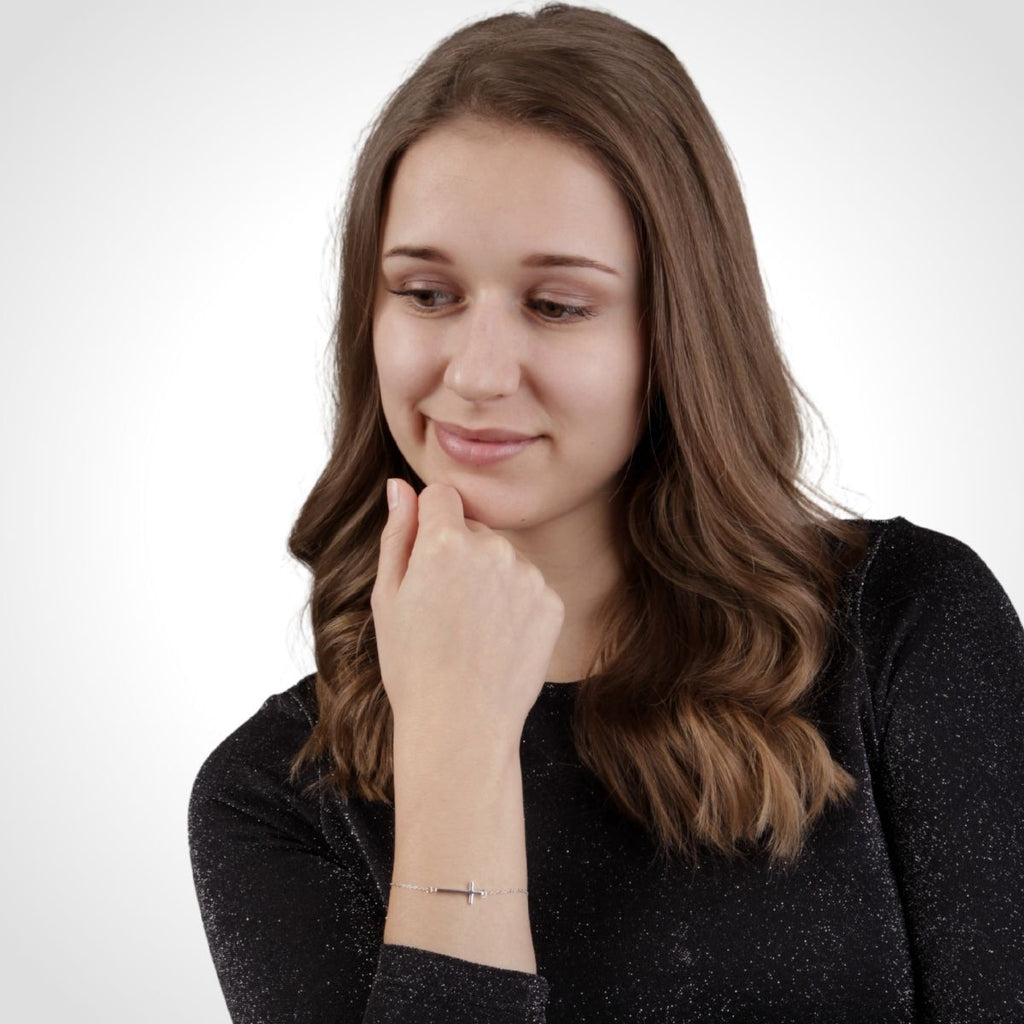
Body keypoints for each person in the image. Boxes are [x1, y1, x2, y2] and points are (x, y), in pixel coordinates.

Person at [187, 5, 1024, 1022]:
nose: (477, 372)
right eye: (425, 292)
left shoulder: (906, 629)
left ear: (676, 330)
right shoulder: (272, 793)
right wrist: (458, 757)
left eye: (556, 305)